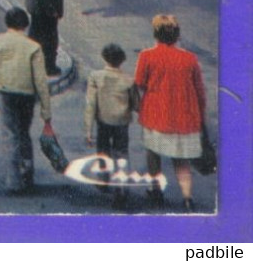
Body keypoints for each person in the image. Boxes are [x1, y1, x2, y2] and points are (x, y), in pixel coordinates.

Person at [134, 13, 210, 212]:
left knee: (153, 154)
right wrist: (200, 115)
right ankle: (187, 198)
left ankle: (156, 190)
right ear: (177, 35)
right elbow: (200, 91)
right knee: (181, 160)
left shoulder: (147, 56)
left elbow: (140, 83)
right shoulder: (190, 59)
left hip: (156, 115)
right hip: (184, 117)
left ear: (155, 34)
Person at [0, 6, 53, 195]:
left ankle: (13, 180)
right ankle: (27, 173)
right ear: (25, 25)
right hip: (27, 94)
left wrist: (1, 81)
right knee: (24, 132)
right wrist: (46, 110)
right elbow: (41, 80)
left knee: (10, 134)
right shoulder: (33, 47)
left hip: (7, 92)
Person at [85, 42, 136, 206]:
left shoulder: (95, 76)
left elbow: (91, 104)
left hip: (103, 120)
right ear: (122, 60)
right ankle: (120, 187)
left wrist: (88, 129)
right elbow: (136, 104)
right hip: (122, 121)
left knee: (103, 150)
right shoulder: (129, 80)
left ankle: (103, 179)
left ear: (104, 58)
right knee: (121, 152)